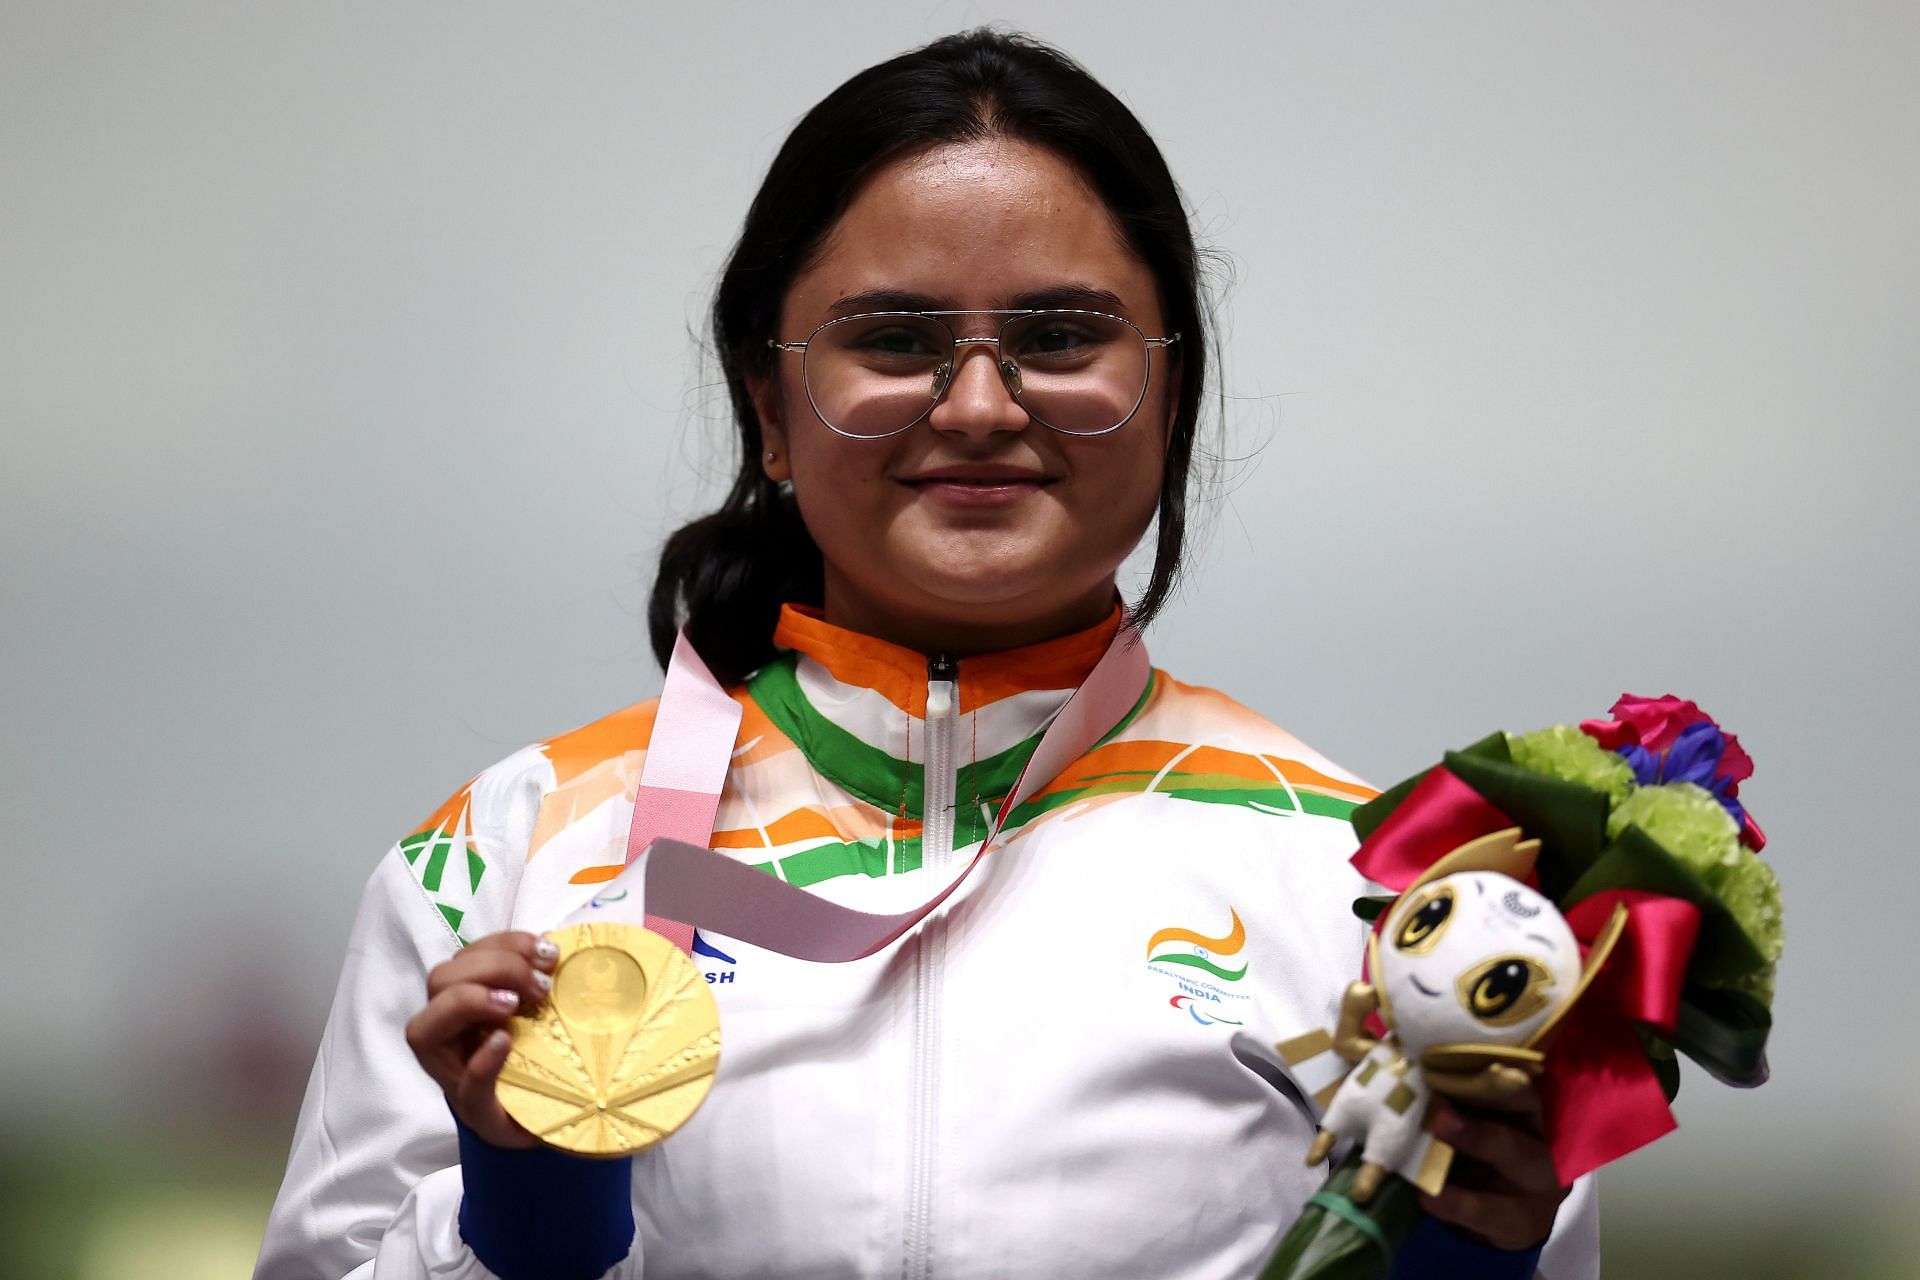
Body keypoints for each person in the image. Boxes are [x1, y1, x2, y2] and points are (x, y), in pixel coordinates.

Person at [255, 29, 1598, 1280]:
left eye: (1061, 338)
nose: (977, 405)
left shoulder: (1383, 899)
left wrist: (1467, 1258)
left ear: (1171, 393)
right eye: (894, 341)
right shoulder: (508, 855)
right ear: (769, 407)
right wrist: (525, 1211)